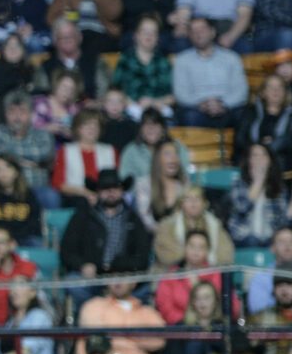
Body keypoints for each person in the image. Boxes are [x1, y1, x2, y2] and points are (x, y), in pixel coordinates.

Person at [59, 170, 152, 305]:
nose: (111, 192)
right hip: (93, 277)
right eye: (105, 188)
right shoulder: (83, 216)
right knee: (74, 283)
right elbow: (66, 251)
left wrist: (123, 269)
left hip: (124, 277)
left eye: (115, 187)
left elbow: (142, 256)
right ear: (97, 191)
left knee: (146, 288)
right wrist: (82, 265)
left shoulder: (133, 219)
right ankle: (91, 317)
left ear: (122, 190)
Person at [0, 90, 56, 206]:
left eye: (22, 112)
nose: (17, 117)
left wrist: (4, 158)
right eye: (12, 112)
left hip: (33, 189)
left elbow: (46, 152)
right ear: (5, 114)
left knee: (50, 197)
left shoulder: (42, 135)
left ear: (31, 114)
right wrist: (24, 162)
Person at [75, 277, 166, 354]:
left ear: (134, 283)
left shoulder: (147, 312)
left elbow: (159, 340)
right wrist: (133, 334)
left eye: (123, 277)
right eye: (113, 277)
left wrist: (116, 334)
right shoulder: (94, 305)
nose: (117, 281)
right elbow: (96, 335)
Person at [172, 16, 248, 127]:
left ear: (212, 32)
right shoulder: (182, 60)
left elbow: (241, 91)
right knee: (188, 116)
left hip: (227, 107)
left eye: (202, 30)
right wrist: (203, 104)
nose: (198, 34)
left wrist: (223, 104)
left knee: (244, 114)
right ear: (189, 35)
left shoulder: (231, 58)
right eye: (193, 31)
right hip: (197, 109)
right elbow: (181, 94)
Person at [155, 229, 232, 324]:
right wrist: (186, 322)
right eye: (192, 246)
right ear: (184, 248)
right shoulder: (171, 276)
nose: (196, 251)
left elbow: (224, 304)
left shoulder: (216, 274)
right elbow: (165, 307)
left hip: (212, 327)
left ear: (208, 251)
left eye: (201, 247)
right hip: (180, 328)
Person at [225, 143, 292, 249]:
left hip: (270, 239)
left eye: (263, 155)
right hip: (243, 237)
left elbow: (282, 221)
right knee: (253, 240)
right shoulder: (239, 183)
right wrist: (258, 181)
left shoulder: (279, 187)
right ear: (249, 160)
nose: (259, 159)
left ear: (270, 160)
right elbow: (242, 208)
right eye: (255, 155)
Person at [51, 110, 117, 208]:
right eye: (86, 125)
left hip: (105, 197)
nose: (91, 129)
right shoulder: (66, 150)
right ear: (78, 128)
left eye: (95, 125)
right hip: (76, 197)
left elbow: (116, 181)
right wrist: (85, 193)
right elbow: (58, 183)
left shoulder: (110, 151)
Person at [154, 186, 234, 267]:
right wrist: (190, 256)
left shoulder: (214, 225)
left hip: (207, 272)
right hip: (172, 273)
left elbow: (226, 255)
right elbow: (164, 253)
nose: (193, 202)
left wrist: (203, 259)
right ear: (181, 203)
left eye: (197, 198)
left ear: (205, 203)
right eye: (188, 199)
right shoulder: (167, 225)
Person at [0, 157, 42, 246]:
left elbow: (34, 223)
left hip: (23, 237)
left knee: (35, 243)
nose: (3, 173)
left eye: (7, 167)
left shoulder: (28, 195)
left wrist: (13, 239)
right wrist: (4, 239)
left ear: (16, 172)